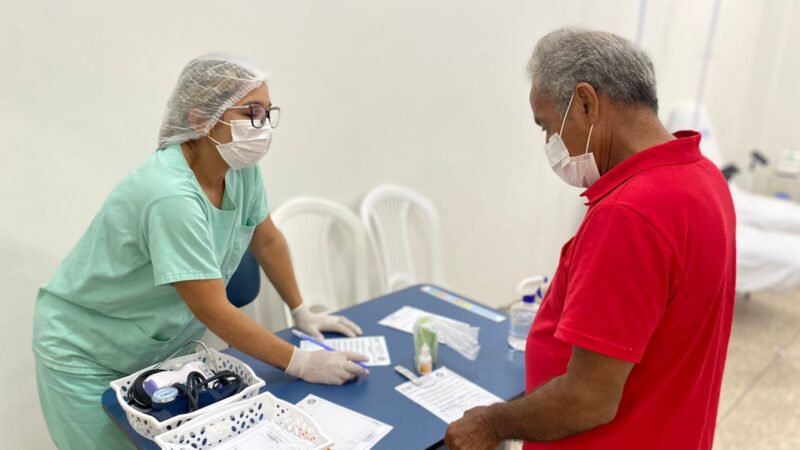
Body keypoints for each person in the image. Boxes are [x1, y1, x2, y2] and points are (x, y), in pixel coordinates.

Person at [32, 55, 369, 450]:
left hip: (157, 349)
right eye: (251, 112)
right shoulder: (168, 194)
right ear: (199, 120)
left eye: (267, 113)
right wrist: (301, 363)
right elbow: (213, 309)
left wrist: (301, 310)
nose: (262, 126)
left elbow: (267, 240)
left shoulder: (240, 170)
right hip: (87, 352)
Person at [445, 28, 736, 450]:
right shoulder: (702, 177)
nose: (549, 143)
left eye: (547, 126)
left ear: (586, 102)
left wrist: (490, 424)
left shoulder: (630, 214)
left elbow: (588, 399)